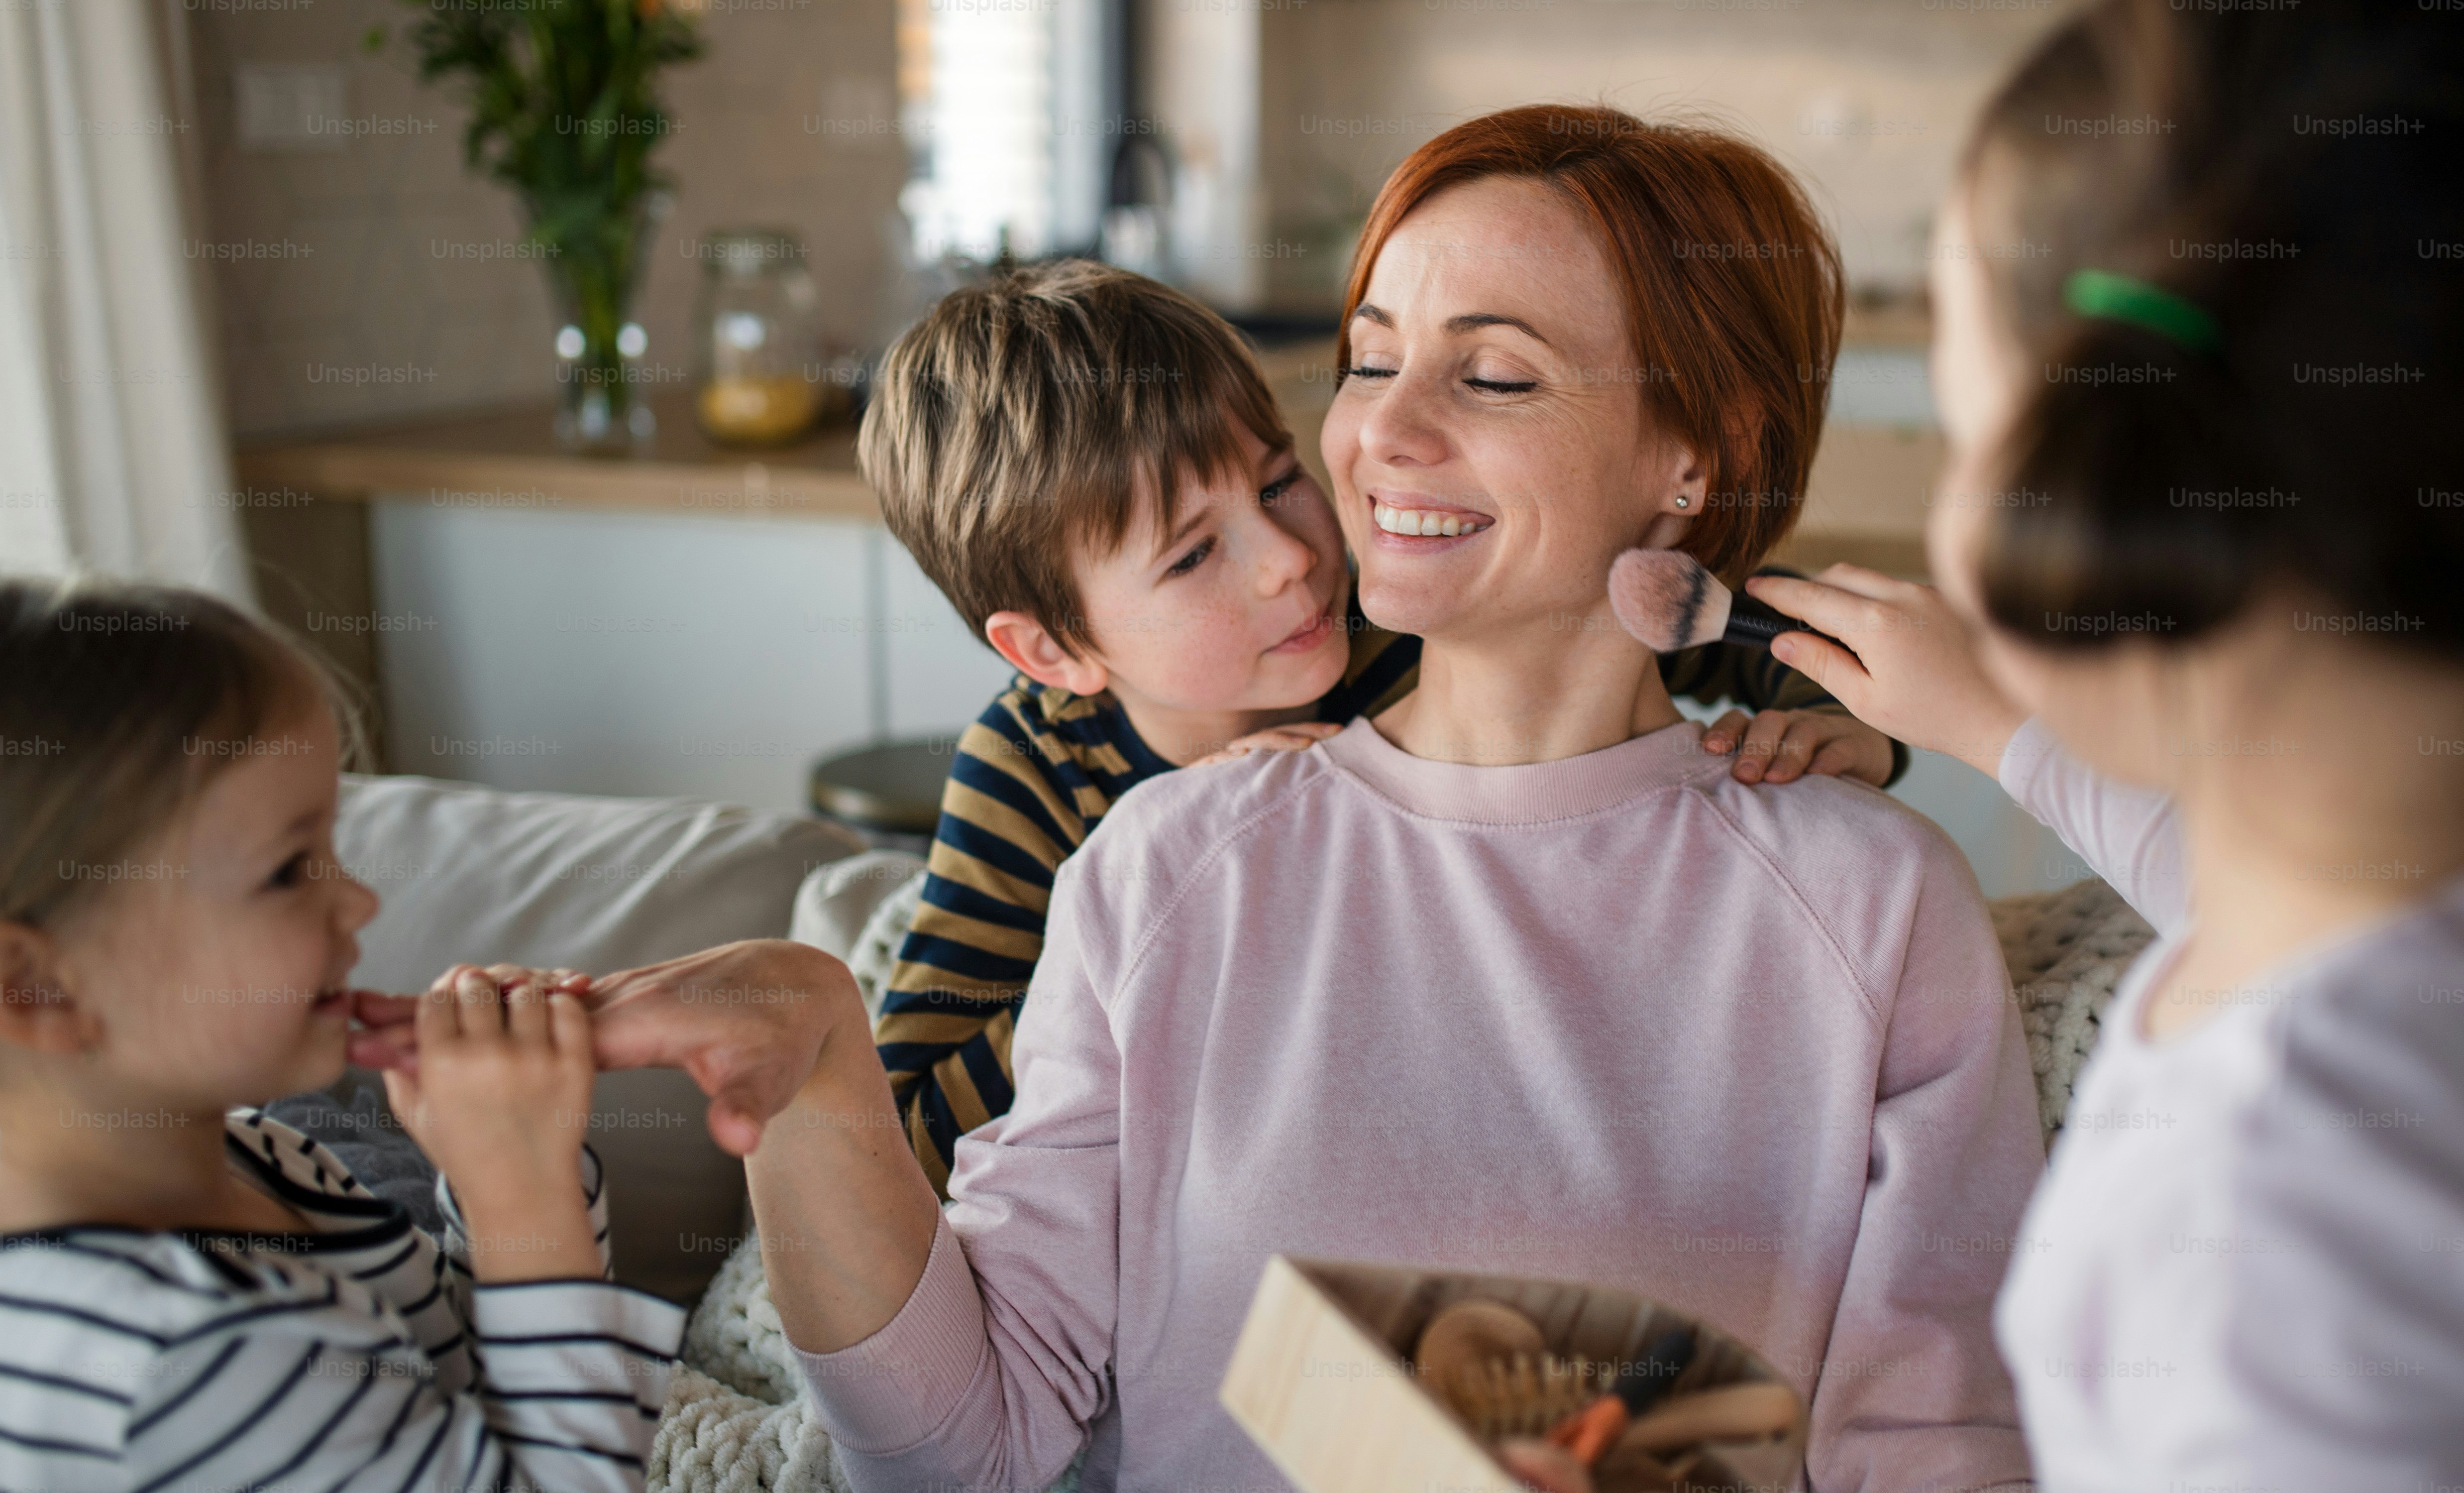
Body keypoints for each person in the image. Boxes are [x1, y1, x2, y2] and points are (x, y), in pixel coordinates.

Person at [493, 105, 2044, 1493]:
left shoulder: (1872, 903)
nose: (1380, 438)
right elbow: (963, 1454)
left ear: (1698, 458)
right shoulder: (1158, 863)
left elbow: (1935, 1445)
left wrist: (1874, 737)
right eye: (1372, 358)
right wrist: (820, 1076)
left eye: (1493, 372)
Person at [1748, 0, 2464, 1489]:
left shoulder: (2281, 1244)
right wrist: (2001, 727)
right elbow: (2236, 892)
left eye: (1958, 429)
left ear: (2094, 496)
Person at [857, 260, 1905, 1189]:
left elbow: (1731, 617)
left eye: (1278, 482)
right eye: (1191, 555)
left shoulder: (1398, 622)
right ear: (1054, 651)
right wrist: (1149, 929)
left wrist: (1845, 725)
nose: (1291, 557)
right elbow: (904, 1136)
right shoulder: (1032, 767)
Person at [0, 578, 681, 1493]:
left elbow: (483, 1403)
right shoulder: (181, 1355)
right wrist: (525, 1196)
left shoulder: (266, 1157)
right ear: (34, 986)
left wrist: (509, 1178)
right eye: (289, 869)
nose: (359, 900)